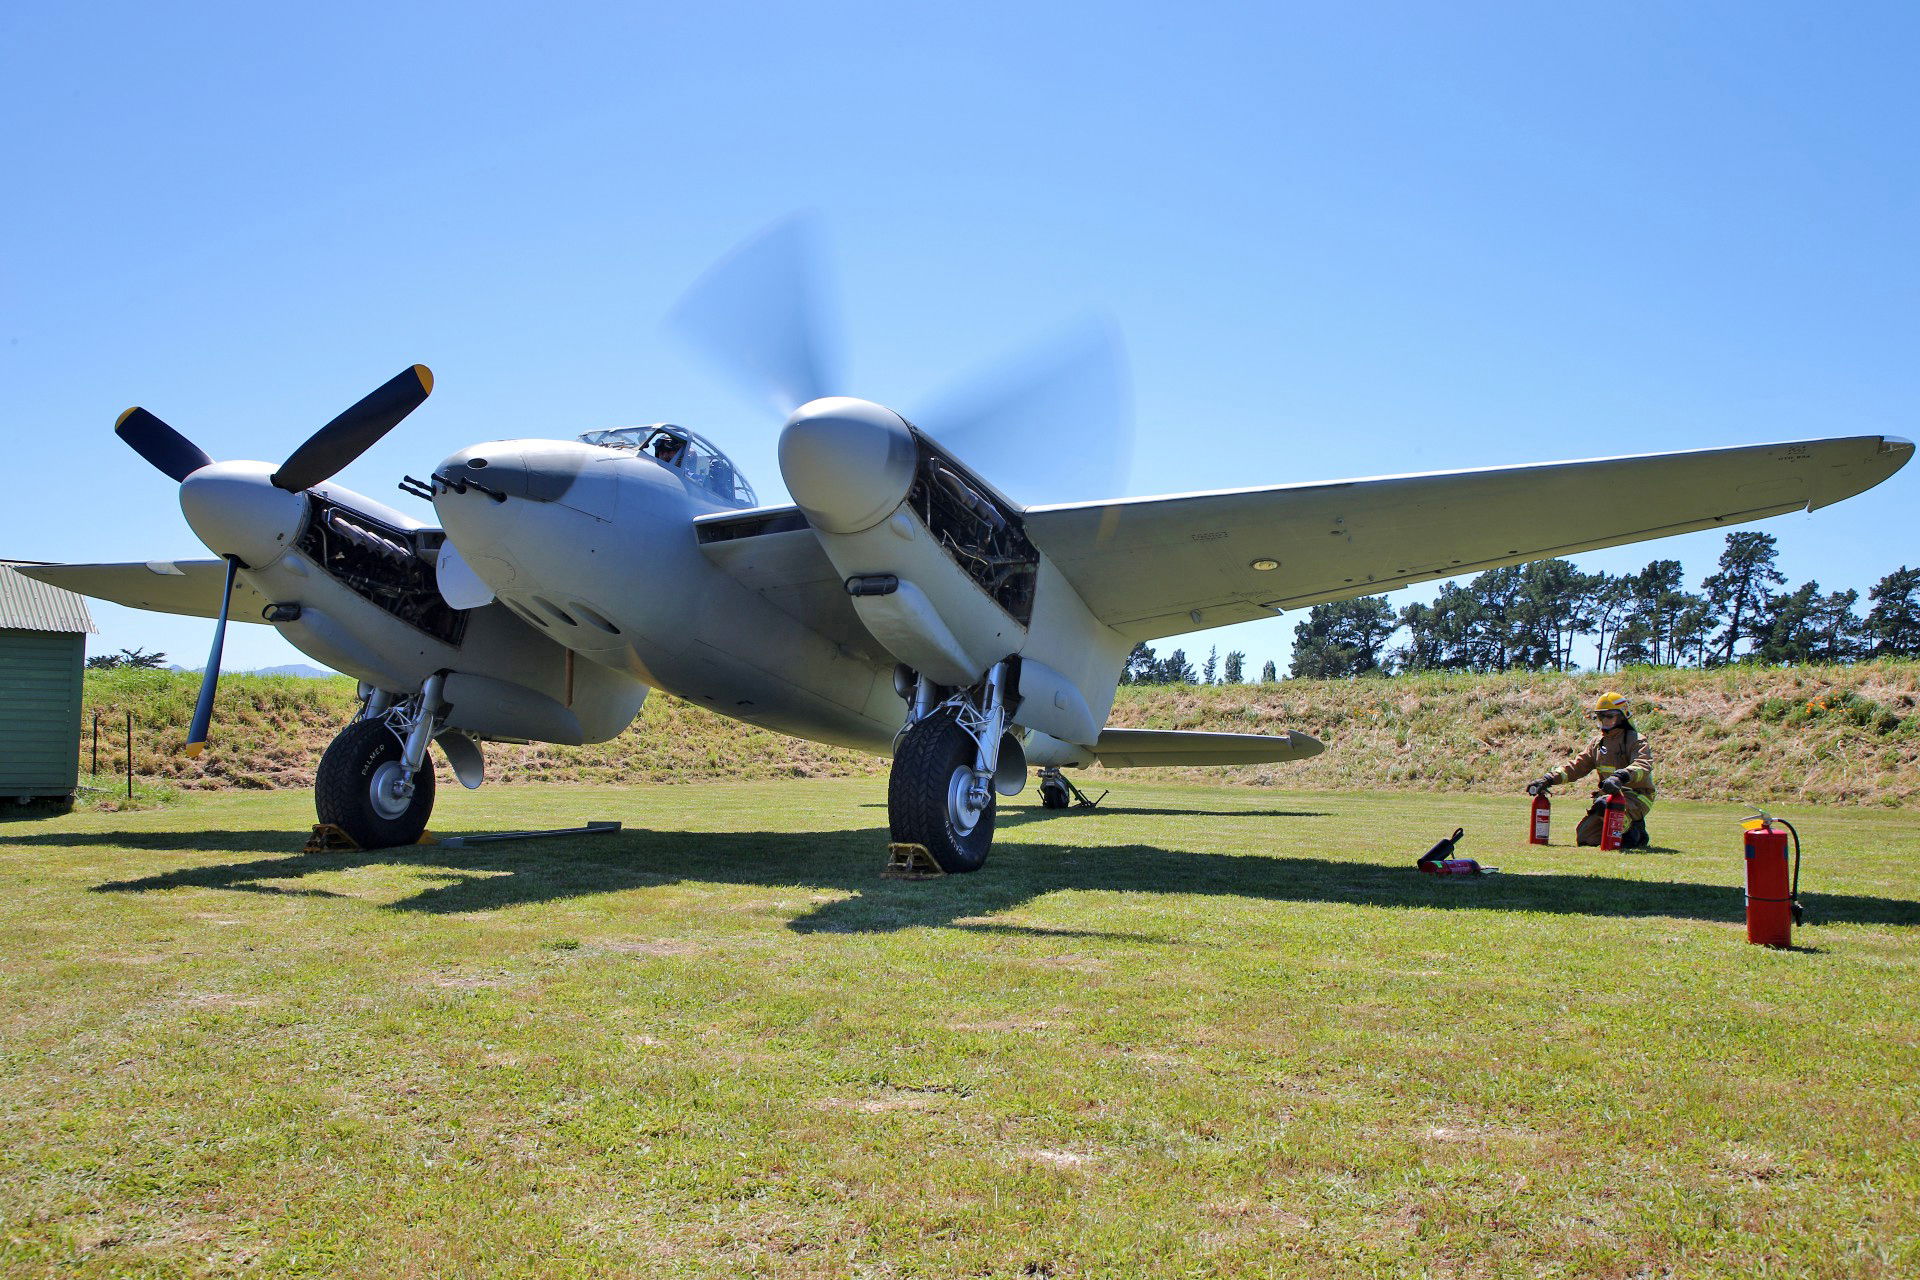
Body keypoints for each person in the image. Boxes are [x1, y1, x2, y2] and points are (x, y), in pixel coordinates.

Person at [1527, 692, 1654, 848]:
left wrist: (1621, 777)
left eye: (1610, 716)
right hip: (1610, 796)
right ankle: (1626, 834)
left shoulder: (1636, 740)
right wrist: (1548, 778)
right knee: (1585, 838)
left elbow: (1643, 764)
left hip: (1637, 796)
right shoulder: (1598, 744)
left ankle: (1635, 831)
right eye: (1601, 717)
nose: (1605, 721)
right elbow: (1576, 766)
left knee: (1604, 805)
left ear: (1622, 716)